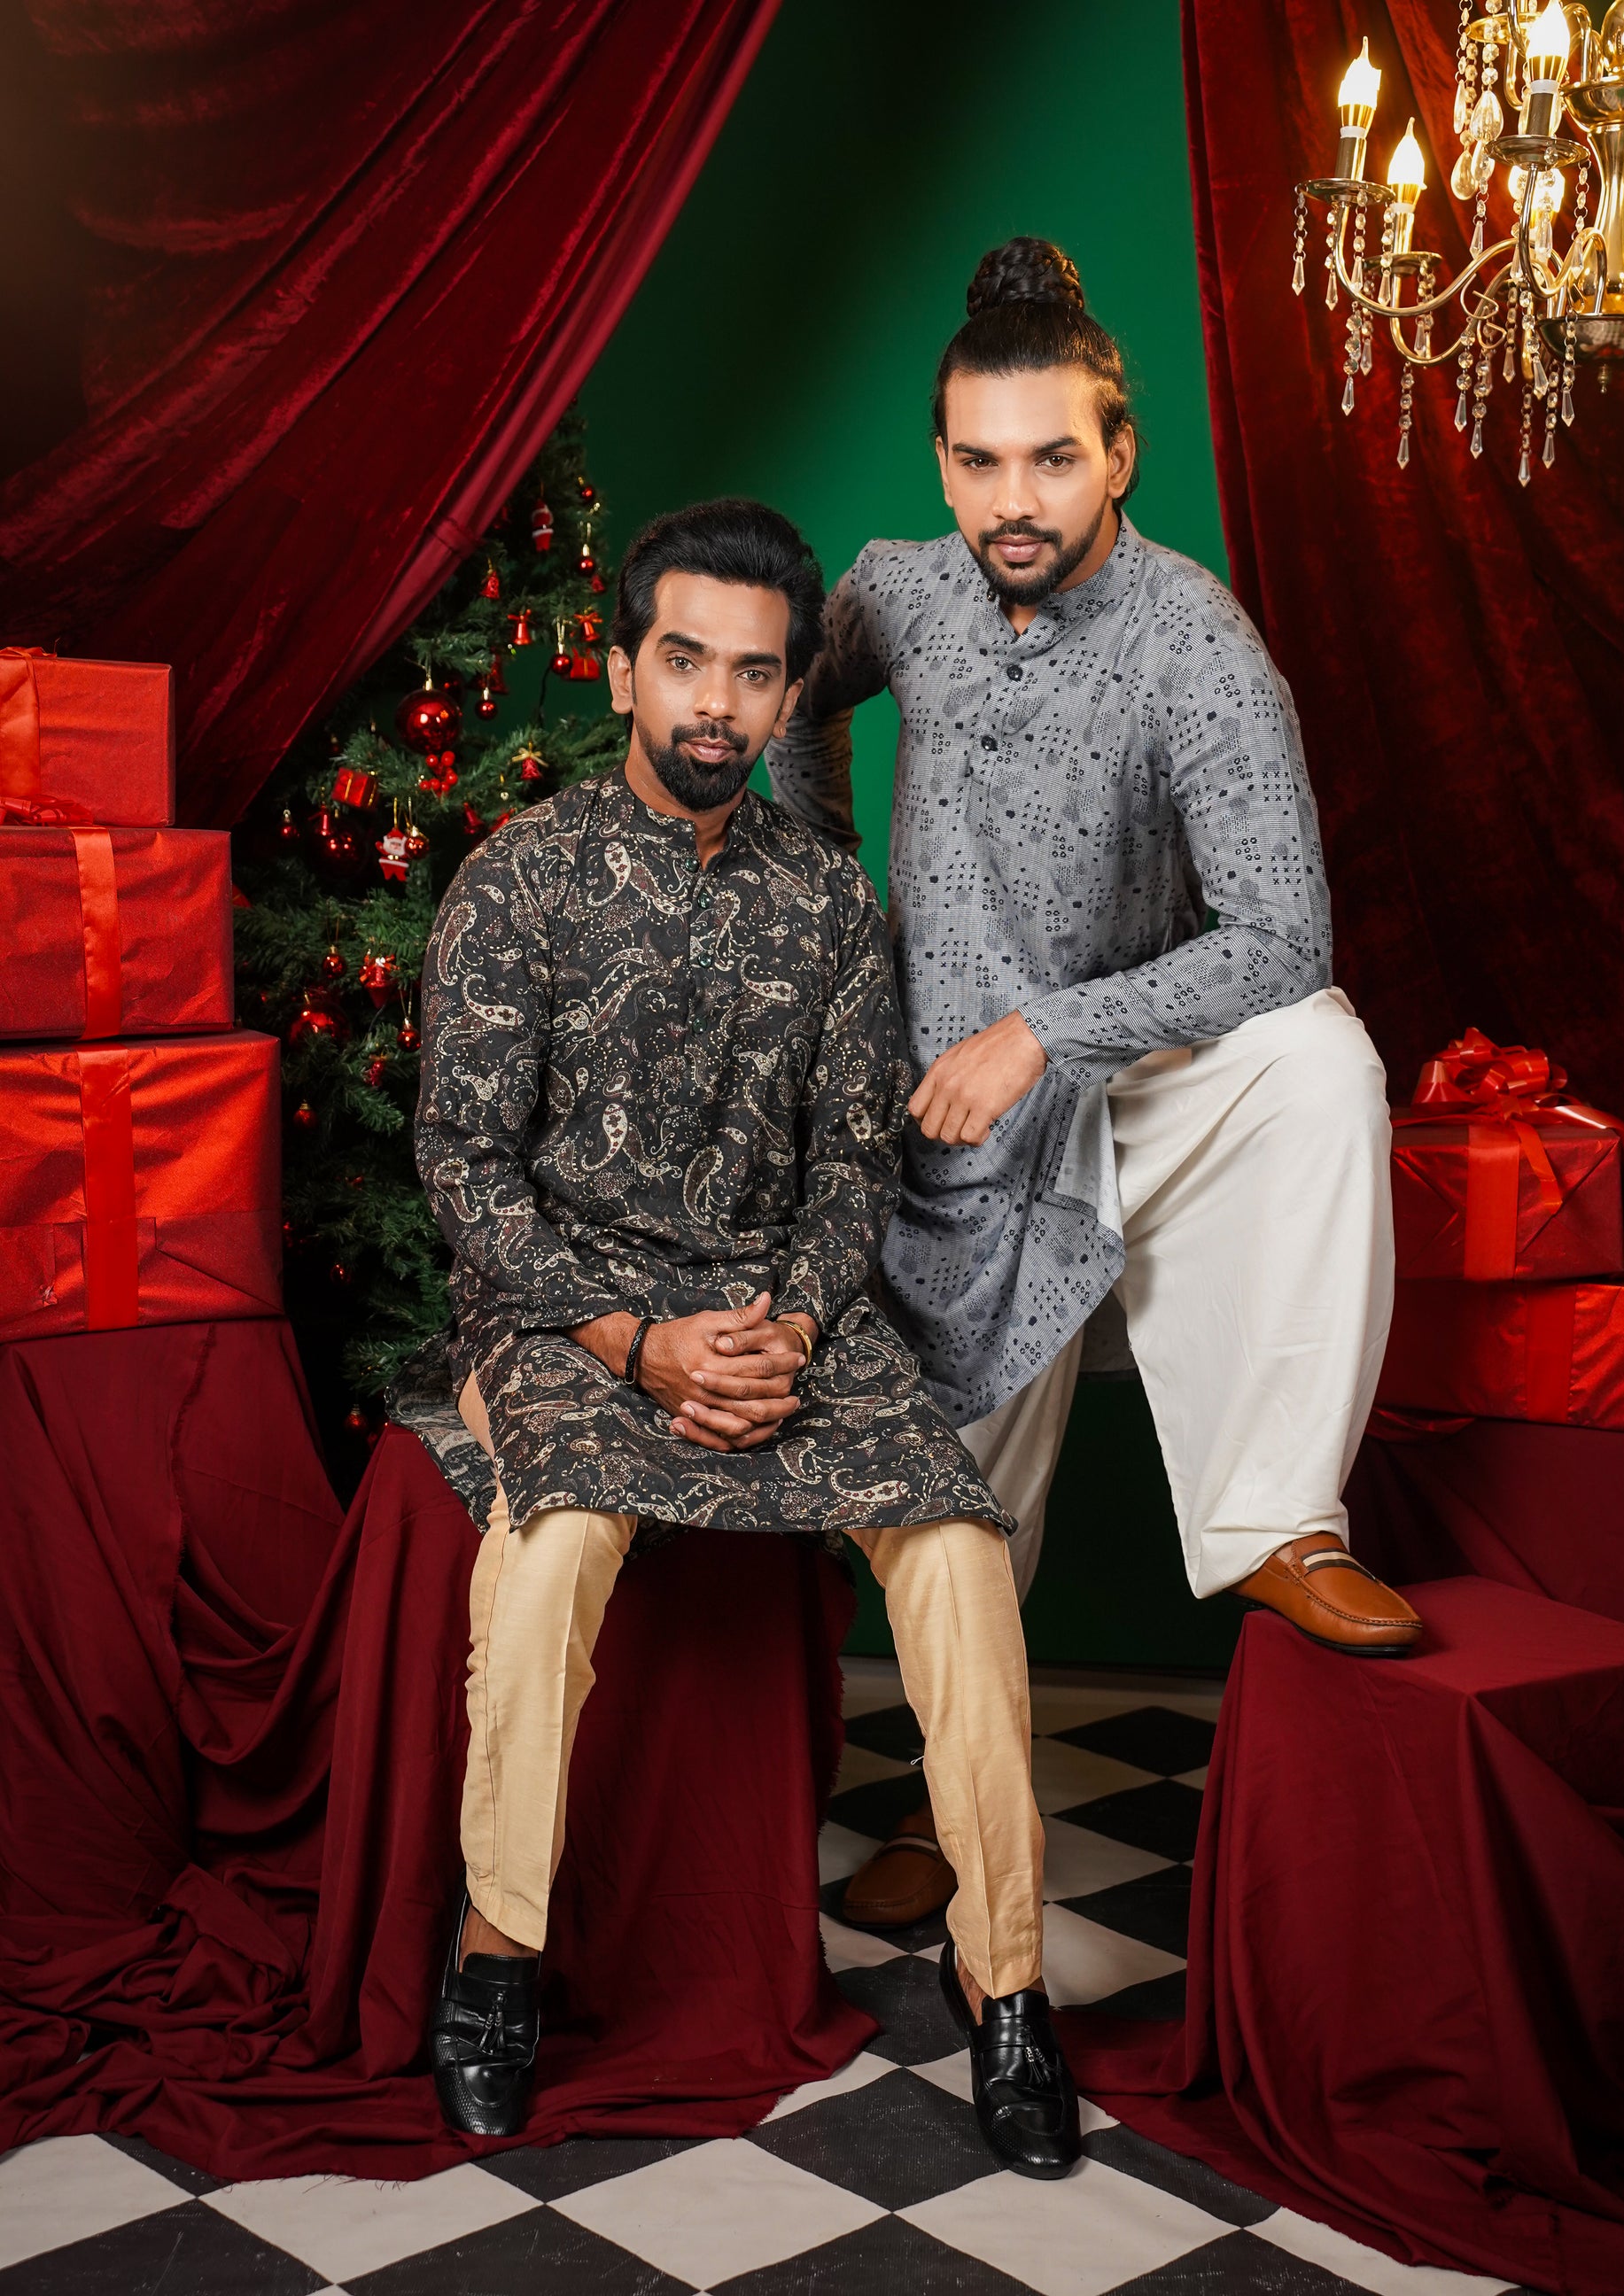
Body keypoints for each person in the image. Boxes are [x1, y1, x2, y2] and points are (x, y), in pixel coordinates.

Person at [413, 497, 1079, 2176]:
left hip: (779, 1315)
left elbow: (853, 1162)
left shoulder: (828, 900)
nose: (717, 703)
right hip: (563, 1315)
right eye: (685, 661)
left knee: (956, 1547)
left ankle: (1006, 1984)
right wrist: (635, 1340)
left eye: (756, 674)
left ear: (789, 695)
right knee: (554, 1550)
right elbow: (465, 1166)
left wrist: (781, 1325)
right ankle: (496, 1955)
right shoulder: (519, 879)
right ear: (623, 669)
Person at [768, 240, 1418, 1934]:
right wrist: (833, 892)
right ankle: (952, 1805)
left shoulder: (1196, 640)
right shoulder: (897, 591)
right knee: (967, 1494)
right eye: (980, 461)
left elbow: (1281, 933)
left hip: (1127, 1074)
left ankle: (1278, 1522)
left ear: (1119, 451)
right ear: (939, 464)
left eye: (1053, 457)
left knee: (1318, 1059)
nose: (1014, 499)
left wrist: (1048, 1031)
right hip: (945, 1108)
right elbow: (789, 701)